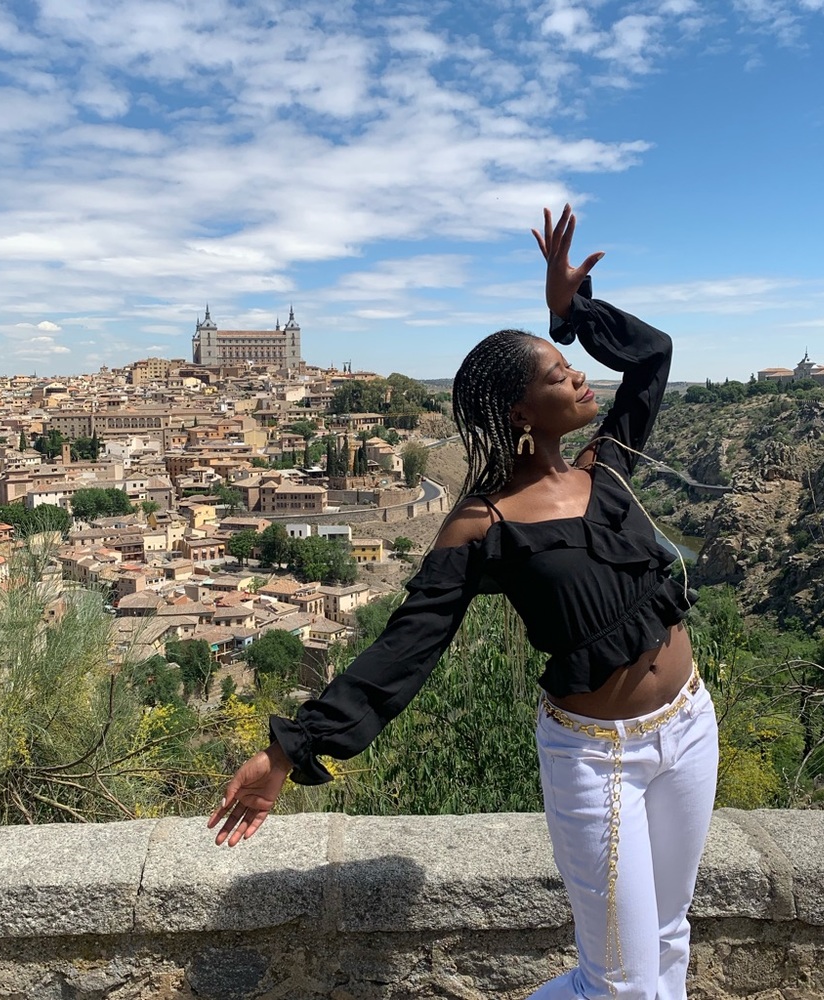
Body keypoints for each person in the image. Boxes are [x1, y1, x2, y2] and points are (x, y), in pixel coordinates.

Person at [209, 205, 719, 1000]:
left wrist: (571, 314)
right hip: (599, 755)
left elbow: (652, 357)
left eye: (570, 364)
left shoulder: (606, 471)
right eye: (558, 373)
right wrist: (289, 751)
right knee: (617, 982)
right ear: (520, 411)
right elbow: (405, 648)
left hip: (691, 726)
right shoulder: (483, 524)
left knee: (668, 939)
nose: (580, 376)